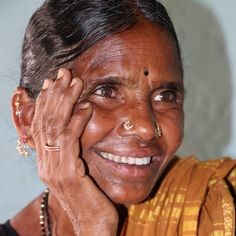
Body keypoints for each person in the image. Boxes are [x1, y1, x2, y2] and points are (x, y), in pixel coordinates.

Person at [1, 0, 235, 235]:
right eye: (106, 91)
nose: (146, 128)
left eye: (165, 96)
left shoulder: (217, 206)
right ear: (28, 117)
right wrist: (92, 225)